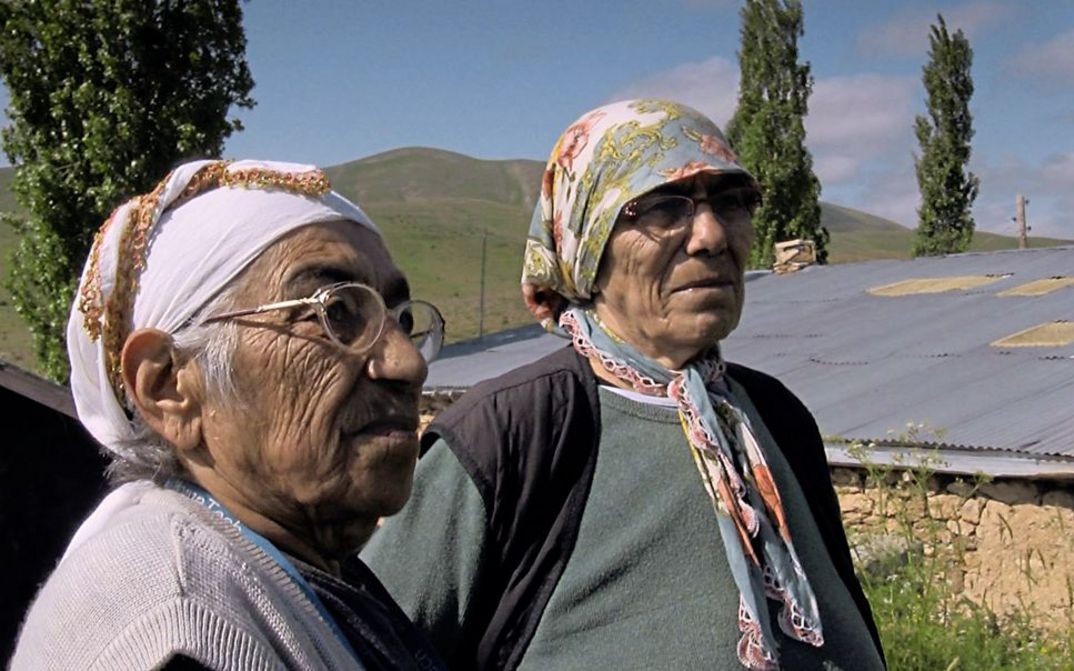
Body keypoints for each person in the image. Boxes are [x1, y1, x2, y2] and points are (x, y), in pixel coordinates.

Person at [362, 100, 885, 670]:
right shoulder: (512, 435)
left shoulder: (773, 418)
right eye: (664, 207)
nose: (710, 235)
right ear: (587, 245)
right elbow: (367, 647)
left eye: (732, 202)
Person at [11, 159, 448, 670]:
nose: (408, 363)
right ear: (169, 386)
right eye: (336, 312)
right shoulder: (182, 628)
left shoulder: (279, 560)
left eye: (403, 319)